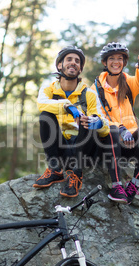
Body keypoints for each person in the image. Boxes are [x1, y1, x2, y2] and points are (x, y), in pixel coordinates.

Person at [33, 46, 111, 197]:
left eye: (77, 61)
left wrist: (98, 123)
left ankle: (76, 175)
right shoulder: (48, 89)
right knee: (45, 116)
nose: (73, 63)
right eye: (69, 59)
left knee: (88, 120)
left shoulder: (89, 94)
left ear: (80, 68)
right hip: (62, 150)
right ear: (59, 65)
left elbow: (105, 124)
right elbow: (41, 103)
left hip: (84, 151)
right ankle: (55, 170)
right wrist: (67, 106)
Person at [91, 42, 139, 204]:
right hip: (108, 145)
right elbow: (98, 115)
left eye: (120, 58)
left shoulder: (127, 82)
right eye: (111, 58)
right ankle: (117, 185)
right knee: (111, 130)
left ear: (124, 62)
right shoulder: (95, 89)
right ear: (105, 62)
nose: (116, 62)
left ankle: (135, 183)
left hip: (129, 144)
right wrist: (120, 129)